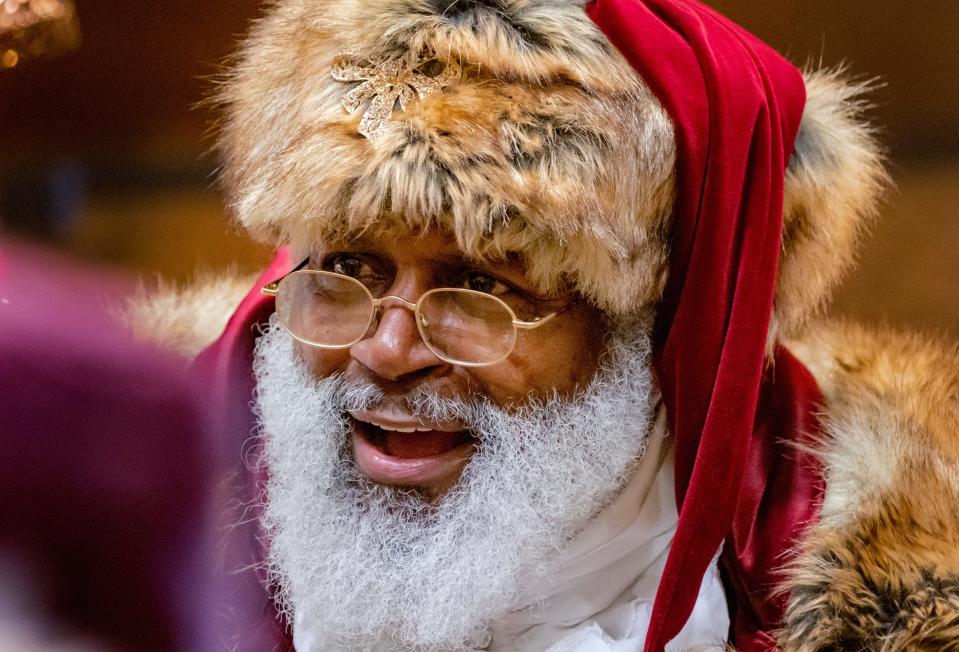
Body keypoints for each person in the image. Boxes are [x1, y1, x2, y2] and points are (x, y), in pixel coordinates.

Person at [129, 0, 959, 650]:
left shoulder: (865, 583)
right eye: (346, 269)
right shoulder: (124, 500)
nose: (384, 351)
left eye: (479, 286)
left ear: (659, 338)